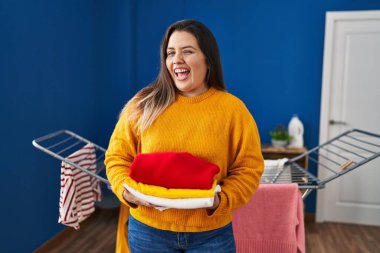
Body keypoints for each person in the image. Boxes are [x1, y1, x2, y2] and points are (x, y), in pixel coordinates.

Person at [105, 19, 264, 253]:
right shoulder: (143, 104)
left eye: (187, 51)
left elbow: (249, 168)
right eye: (170, 53)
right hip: (149, 231)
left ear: (207, 59)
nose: (176, 60)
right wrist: (126, 191)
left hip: (211, 235)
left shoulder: (233, 110)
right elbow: (117, 157)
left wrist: (222, 200)